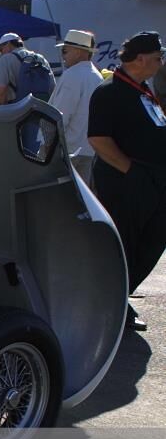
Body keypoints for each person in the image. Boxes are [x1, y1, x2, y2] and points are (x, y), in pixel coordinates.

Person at [87, 31, 166, 332]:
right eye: (158, 56)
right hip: (126, 182)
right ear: (141, 58)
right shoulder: (109, 91)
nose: (161, 61)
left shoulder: (142, 90)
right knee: (124, 244)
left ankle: (120, 294)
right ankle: (115, 304)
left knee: (153, 237)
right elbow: (98, 138)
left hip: (152, 180)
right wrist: (131, 171)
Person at [49, 29, 103, 183]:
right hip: (88, 150)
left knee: (58, 198)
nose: (62, 55)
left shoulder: (73, 75)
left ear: (79, 52)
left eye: (65, 51)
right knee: (81, 198)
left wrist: (47, 146)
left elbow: (59, 115)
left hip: (67, 151)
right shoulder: (96, 76)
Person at [0, 32, 56, 106]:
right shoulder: (40, 58)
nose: (1, 53)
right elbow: (53, 87)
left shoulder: (5, 59)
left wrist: (3, 109)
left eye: (1, 50)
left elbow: (1, 91)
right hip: (41, 108)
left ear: (8, 44)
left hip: (17, 109)